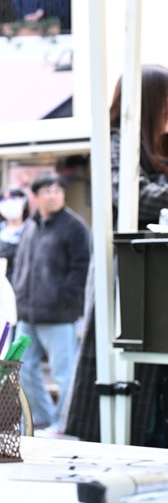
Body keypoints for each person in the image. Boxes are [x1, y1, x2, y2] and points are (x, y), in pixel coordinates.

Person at [66, 65, 168, 446]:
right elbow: (132, 196)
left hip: (151, 279)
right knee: (120, 374)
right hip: (124, 278)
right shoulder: (115, 142)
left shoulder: (156, 147)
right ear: (150, 102)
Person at [10, 173, 90, 434]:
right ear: (35, 196)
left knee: (64, 373)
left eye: (58, 190)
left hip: (59, 315)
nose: (54, 195)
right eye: (47, 191)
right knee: (23, 368)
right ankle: (42, 418)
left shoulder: (75, 227)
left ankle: (64, 425)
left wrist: (66, 301)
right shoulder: (31, 226)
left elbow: (82, 269)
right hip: (27, 313)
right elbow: (20, 264)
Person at [0, 184, 30, 280]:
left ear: (24, 202)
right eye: (4, 200)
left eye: (14, 198)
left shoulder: (32, 230)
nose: (9, 203)